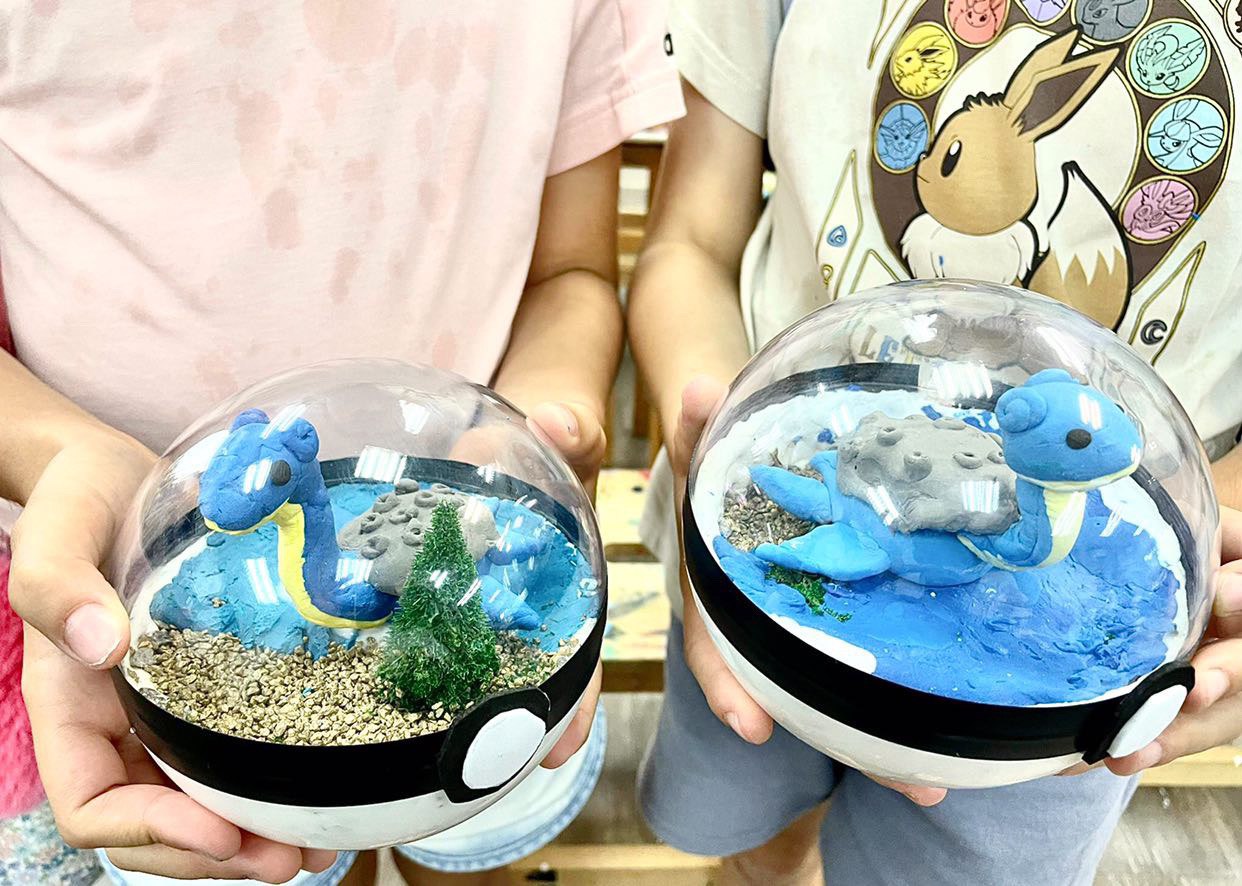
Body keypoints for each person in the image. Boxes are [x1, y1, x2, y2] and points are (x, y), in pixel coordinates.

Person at [0, 3, 682, 883]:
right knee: (268, 851)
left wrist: (540, 423)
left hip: (473, 494)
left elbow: (573, 271)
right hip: (142, 601)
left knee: (464, 828)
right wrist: (58, 453)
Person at [628, 2, 1242, 884]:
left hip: (1067, 709)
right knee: (743, 811)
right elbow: (688, 236)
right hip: (751, 565)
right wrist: (717, 446)